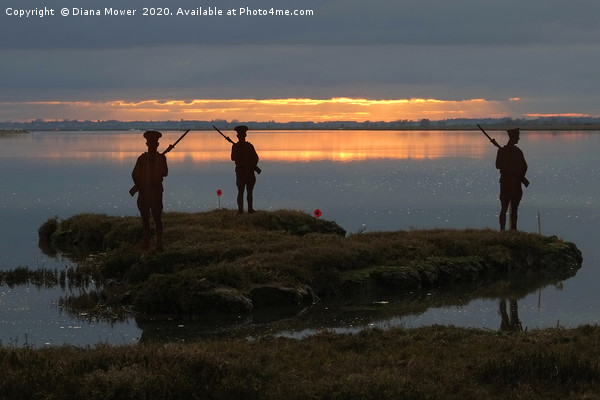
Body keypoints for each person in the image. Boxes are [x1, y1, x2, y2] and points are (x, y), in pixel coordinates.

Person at [132, 130, 168, 251]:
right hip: (145, 193)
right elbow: (135, 175)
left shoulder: (161, 158)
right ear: (148, 145)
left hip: (155, 192)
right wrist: (140, 185)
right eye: (151, 144)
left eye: (154, 144)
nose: (152, 146)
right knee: (146, 219)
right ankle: (148, 243)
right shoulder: (142, 159)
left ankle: (158, 244)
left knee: (156, 218)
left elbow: (165, 173)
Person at [495, 128, 528, 231]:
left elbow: (524, 167)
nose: (518, 138)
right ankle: (506, 229)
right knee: (506, 208)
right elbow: (498, 165)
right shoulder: (505, 151)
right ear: (513, 138)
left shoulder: (510, 151)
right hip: (510, 183)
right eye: (517, 137)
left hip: (510, 183)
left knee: (510, 208)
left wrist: (519, 175)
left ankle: (510, 229)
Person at [230, 125, 259, 214]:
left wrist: (251, 165)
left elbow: (233, 158)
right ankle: (246, 210)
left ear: (237, 136)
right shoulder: (246, 146)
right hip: (244, 171)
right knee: (245, 191)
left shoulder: (237, 146)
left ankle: (243, 210)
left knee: (243, 191)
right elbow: (256, 158)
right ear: (245, 136)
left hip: (244, 171)